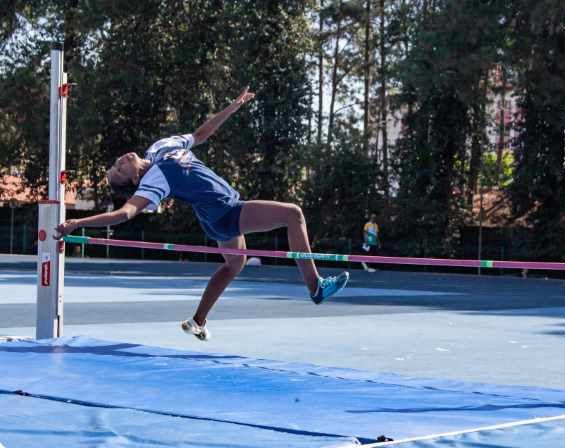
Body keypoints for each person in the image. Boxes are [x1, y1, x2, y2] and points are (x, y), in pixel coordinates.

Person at [54, 87, 348, 341]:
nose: (120, 160)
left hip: (217, 215)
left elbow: (201, 134)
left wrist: (234, 106)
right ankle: (315, 287)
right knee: (293, 214)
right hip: (226, 212)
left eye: (116, 163)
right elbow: (124, 213)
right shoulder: (152, 182)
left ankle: (198, 321)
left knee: (235, 263)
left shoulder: (160, 147)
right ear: (132, 179)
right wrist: (78, 223)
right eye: (119, 169)